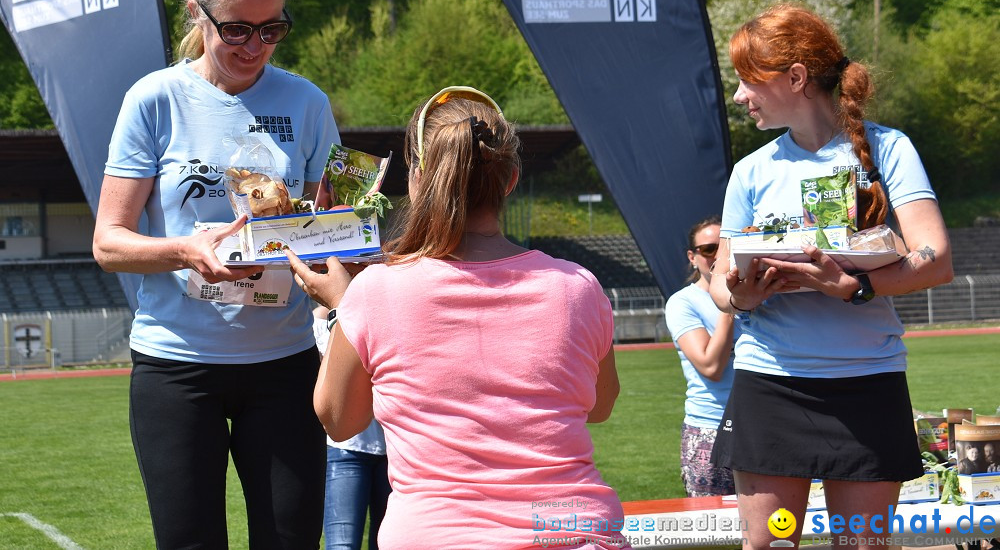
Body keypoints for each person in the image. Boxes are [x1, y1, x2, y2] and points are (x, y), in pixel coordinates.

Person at [286, 86, 629, 549]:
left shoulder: (374, 292)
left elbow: (338, 420)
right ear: (510, 179)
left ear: (417, 176)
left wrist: (340, 310)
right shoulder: (578, 286)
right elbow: (600, 406)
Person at [93, 0, 338, 549]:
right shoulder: (153, 99)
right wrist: (186, 252)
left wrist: (335, 240)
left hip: (284, 365)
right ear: (198, 16)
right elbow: (109, 242)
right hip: (177, 368)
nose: (254, 47)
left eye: (272, 29)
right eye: (237, 29)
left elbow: (328, 226)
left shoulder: (306, 102)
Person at [708, 4, 953, 548]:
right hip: (771, 387)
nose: (740, 97)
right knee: (773, 542)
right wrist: (740, 294)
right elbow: (723, 284)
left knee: (861, 545)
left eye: (749, 82)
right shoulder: (751, 170)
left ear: (795, 78)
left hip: (866, 388)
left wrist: (857, 285)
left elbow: (935, 259)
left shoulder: (889, 149)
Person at [663, 216, 739, 497]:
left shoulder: (759, 296)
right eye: (709, 249)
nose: (718, 255)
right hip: (710, 429)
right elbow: (711, 366)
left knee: (770, 527)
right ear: (692, 257)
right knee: (712, 530)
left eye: (724, 247)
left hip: (763, 424)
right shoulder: (683, 303)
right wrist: (728, 302)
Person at [311, 305, 391, 549]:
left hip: (395, 449)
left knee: (391, 543)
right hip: (346, 448)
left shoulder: (391, 303)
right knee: (342, 545)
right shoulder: (320, 319)